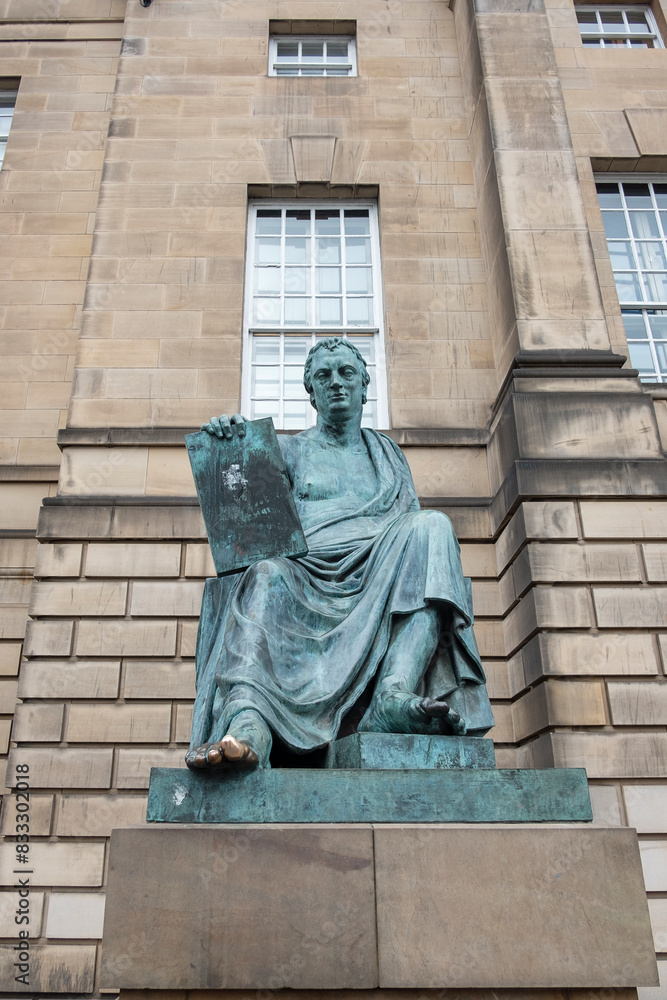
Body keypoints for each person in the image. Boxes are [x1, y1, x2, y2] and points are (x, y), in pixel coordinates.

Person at [186, 337, 493, 770]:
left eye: (346, 373)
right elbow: (246, 533)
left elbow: (411, 534)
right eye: (323, 376)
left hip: (380, 569)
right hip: (305, 573)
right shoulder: (288, 450)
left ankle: (392, 692)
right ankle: (249, 723)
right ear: (310, 391)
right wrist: (230, 447)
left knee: (433, 527)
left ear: (365, 386)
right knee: (266, 576)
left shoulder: (388, 455)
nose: (336, 383)